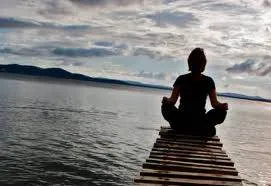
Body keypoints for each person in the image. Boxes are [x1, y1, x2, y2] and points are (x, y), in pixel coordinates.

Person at [161, 48, 228, 136]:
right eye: (196, 62)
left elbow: (215, 104)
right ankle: (201, 129)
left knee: (221, 112)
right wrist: (166, 101)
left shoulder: (206, 81)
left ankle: (182, 128)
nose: (198, 65)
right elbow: (172, 101)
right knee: (166, 106)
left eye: (199, 62)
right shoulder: (182, 79)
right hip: (190, 120)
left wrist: (222, 106)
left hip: (189, 121)